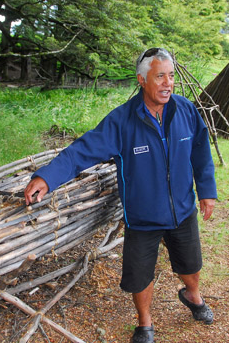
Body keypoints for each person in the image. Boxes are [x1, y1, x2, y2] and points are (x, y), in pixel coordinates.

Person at [24, 47, 217, 343]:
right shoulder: (122, 121)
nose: (168, 83)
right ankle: (145, 323)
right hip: (143, 216)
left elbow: (201, 152)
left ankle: (192, 295)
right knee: (140, 275)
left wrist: (207, 191)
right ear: (142, 80)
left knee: (190, 266)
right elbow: (82, 151)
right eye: (159, 77)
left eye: (171, 76)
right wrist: (46, 177)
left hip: (182, 208)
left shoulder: (185, 110)